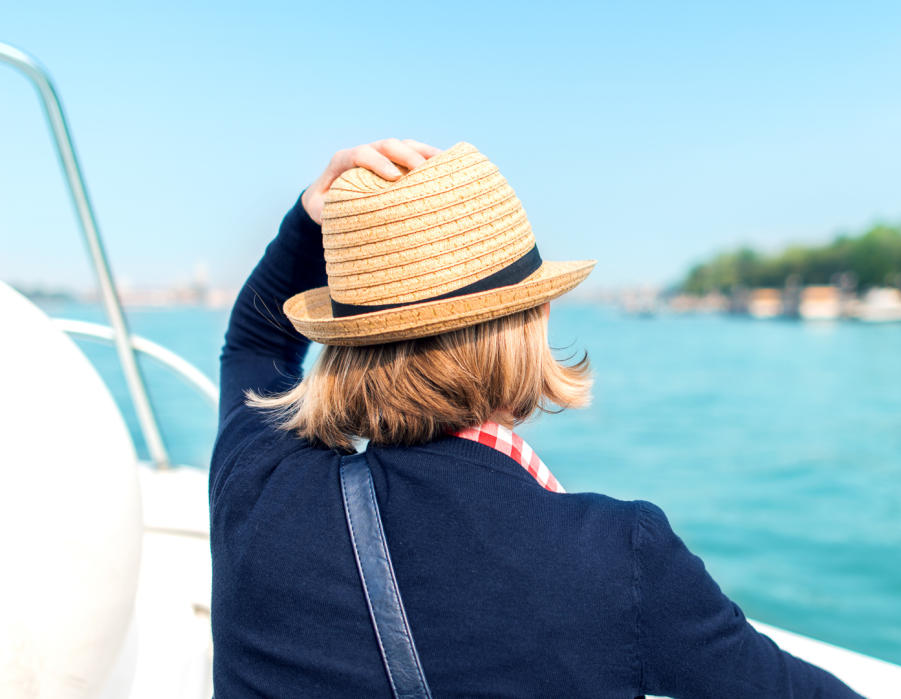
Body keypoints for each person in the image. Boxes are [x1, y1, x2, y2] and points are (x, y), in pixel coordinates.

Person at [210, 138, 862, 698]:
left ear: (343, 341)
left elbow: (253, 344)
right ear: (535, 320)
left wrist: (308, 217)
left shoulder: (256, 483)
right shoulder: (617, 557)